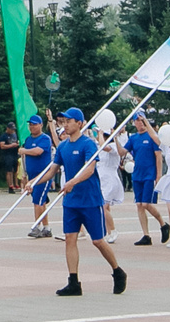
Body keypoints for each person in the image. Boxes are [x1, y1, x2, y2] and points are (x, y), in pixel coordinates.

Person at [49, 107, 127, 297]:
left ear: (79, 123)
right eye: (64, 122)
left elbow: (89, 169)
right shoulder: (63, 147)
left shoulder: (88, 144)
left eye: (69, 121)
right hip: (71, 202)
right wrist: (33, 183)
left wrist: (72, 182)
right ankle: (73, 282)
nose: (65, 125)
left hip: (90, 200)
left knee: (98, 240)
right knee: (70, 238)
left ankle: (118, 271)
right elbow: (52, 169)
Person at [123, 116, 167, 245]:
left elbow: (158, 156)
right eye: (138, 121)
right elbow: (122, 152)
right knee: (139, 204)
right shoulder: (133, 138)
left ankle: (163, 224)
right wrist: (114, 138)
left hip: (149, 174)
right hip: (137, 174)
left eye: (142, 120)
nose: (140, 123)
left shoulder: (151, 136)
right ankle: (146, 235)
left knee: (146, 204)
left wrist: (158, 175)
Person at [21, 115, 56, 237]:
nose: (32, 127)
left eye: (34, 124)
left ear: (41, 125)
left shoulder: (45, 139)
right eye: (30, 124)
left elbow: (38, 151)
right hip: (32, 175)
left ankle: (37, 226)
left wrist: (24, 151)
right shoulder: (28, 140)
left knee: (38, 201)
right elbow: (25, 159)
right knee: (41, 201)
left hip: (43, 175)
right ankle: (46, 227)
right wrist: (25, 174)